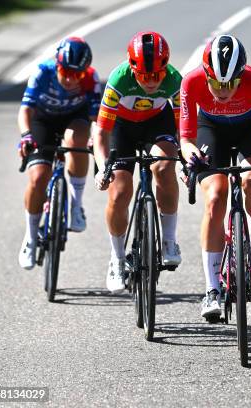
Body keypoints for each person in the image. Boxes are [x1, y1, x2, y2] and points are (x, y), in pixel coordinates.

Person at [179, 35, 251, 319]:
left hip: (250, 128)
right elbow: (186, 138)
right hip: (211, 129)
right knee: (215, 196)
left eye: (230, 84)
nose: (223, 91)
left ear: (241, 76)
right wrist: (189, 154)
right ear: (206, 75)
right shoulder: (190, 82)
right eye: (215, 83)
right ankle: (212, 290)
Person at [93, 31, 183, 293]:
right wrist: (101, 168)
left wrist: (186, 160)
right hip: (121, 128)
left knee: (165, 166)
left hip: (157, 123)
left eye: (157, 75)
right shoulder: (119, 80)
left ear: (165, 68)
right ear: (133, 69)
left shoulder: (175, 80)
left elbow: (183, 129)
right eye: (145, 75)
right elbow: (101, 132)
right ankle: (117, 259)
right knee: (120, 191)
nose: (152, 82)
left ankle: (168, 240)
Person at [18, 36, 100, 270]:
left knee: (77, 139)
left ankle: (75, 206)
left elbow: (96, 118)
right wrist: (26, 135)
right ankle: (31, 237)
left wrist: (96, 136)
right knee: (38, 178)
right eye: (66, 71)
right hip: (43, 121)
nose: (71, 78)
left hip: (74, 119)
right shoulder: (43, 72)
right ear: (58, 64)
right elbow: (26, 109)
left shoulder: (91, 78)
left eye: (78, 74)